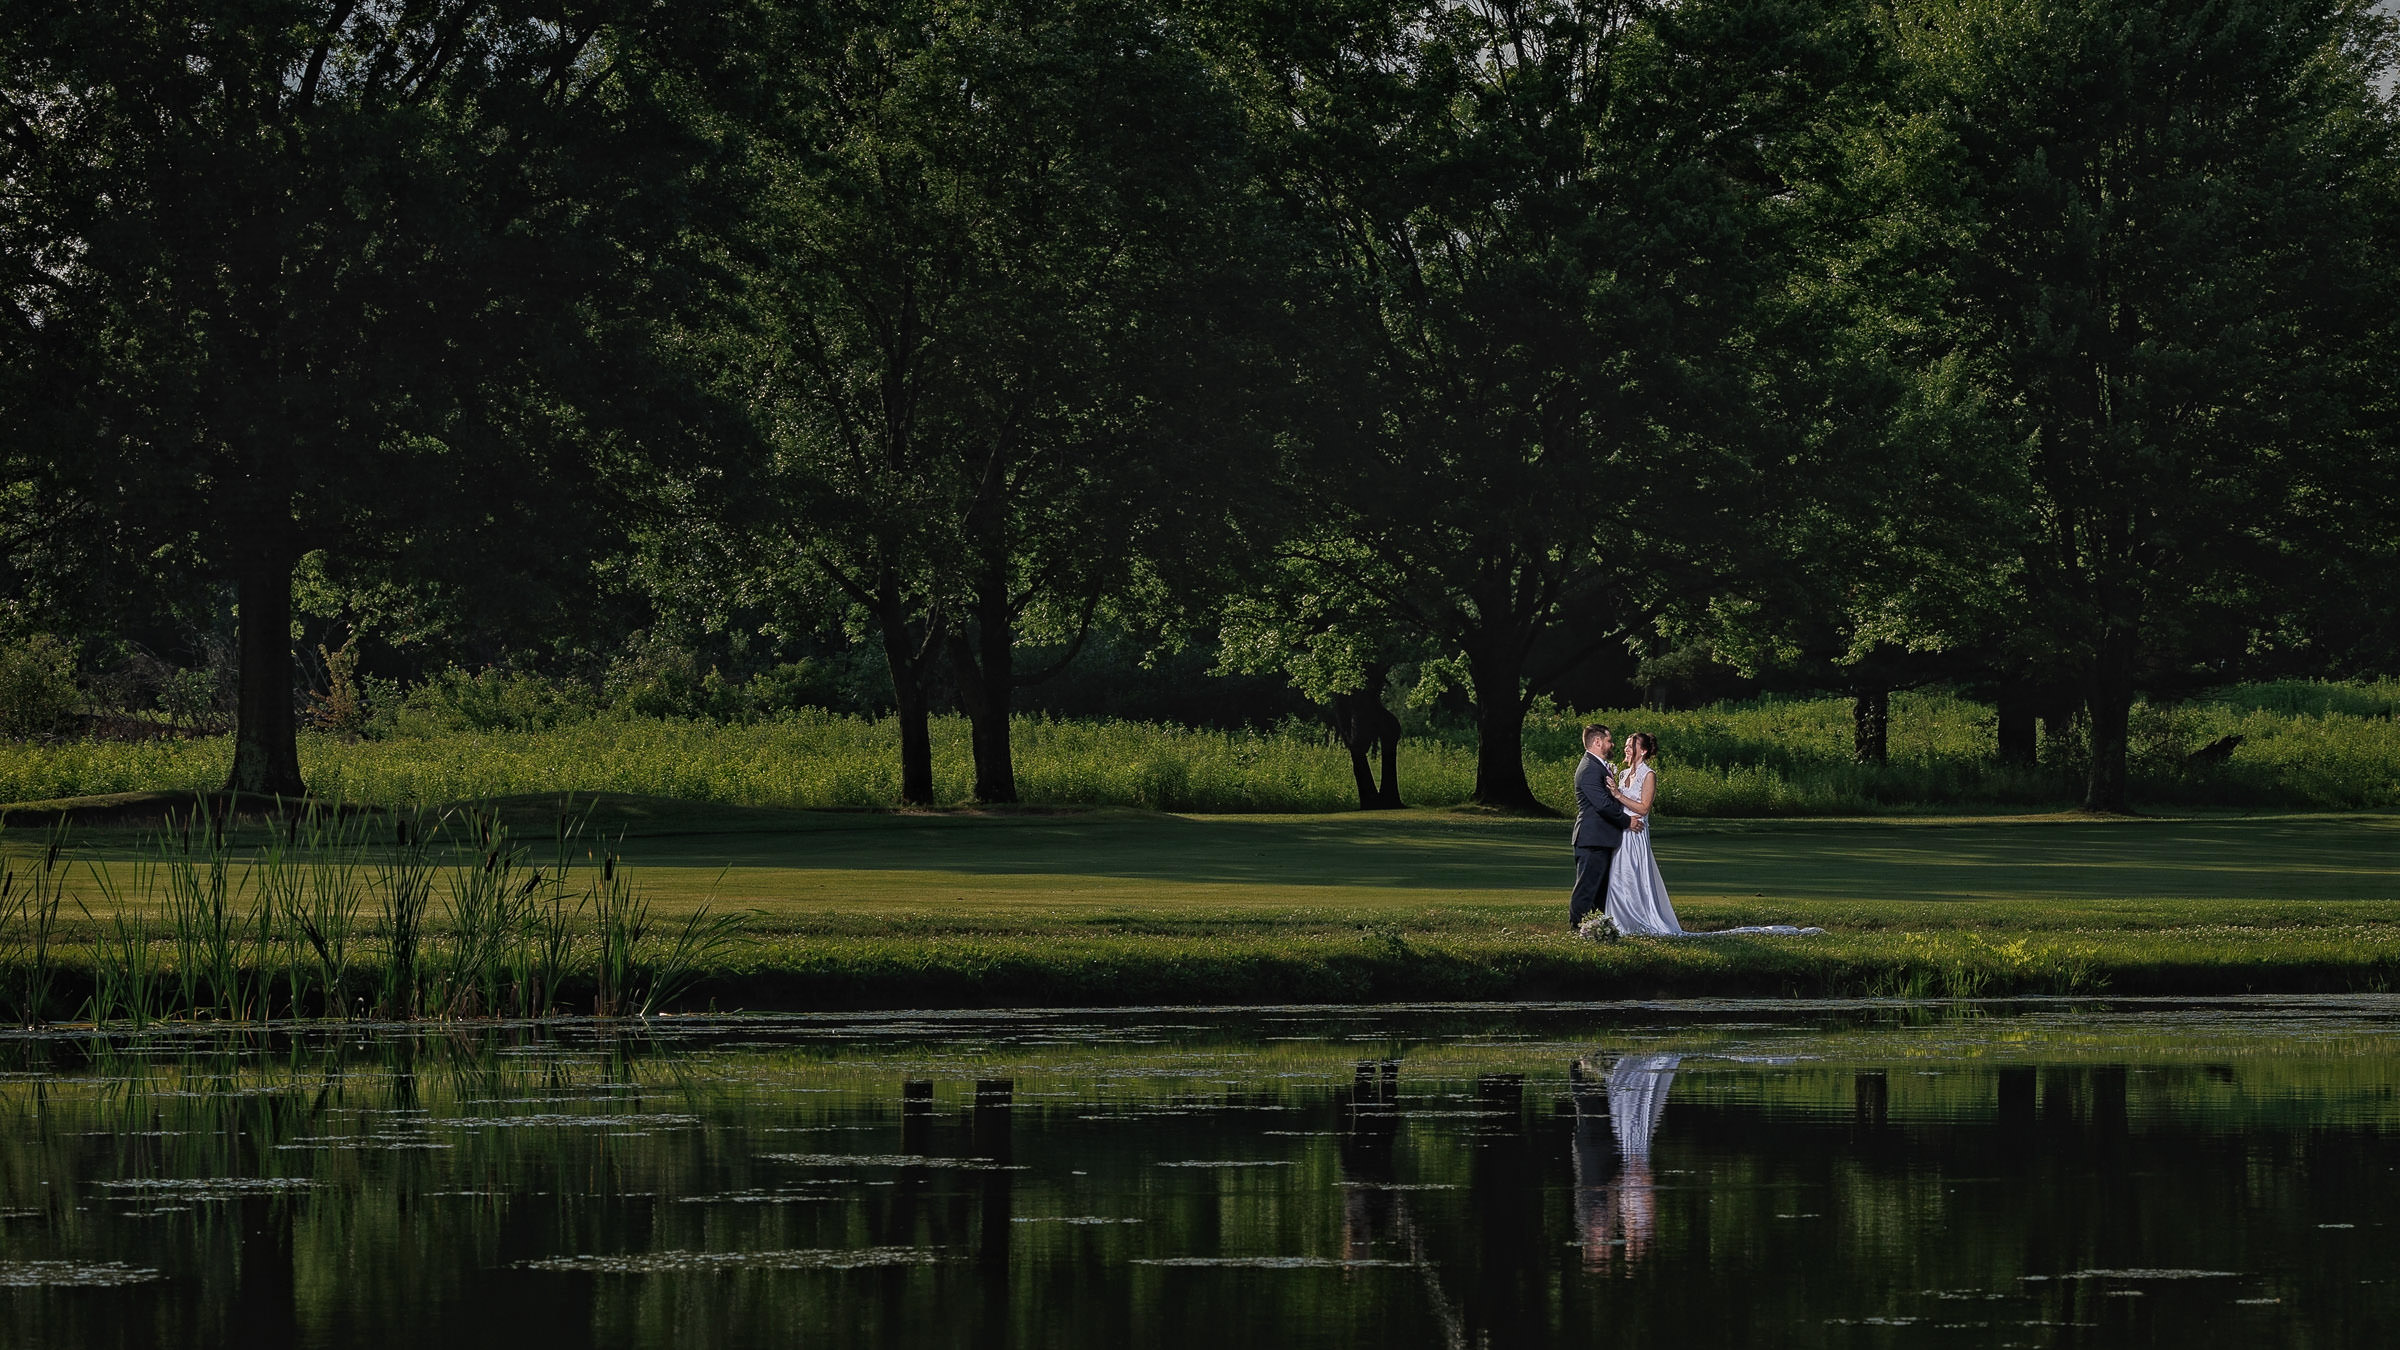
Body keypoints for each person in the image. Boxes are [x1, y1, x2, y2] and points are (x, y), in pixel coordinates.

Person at [1595, 730, 1826, 939]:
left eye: (1630, 745)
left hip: (1636, 836)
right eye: (1625, 744)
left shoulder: (1649, 775)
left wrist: (1617, 795)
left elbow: (1644, 808)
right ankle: (1619, 922)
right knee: (1618, 880)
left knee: (1635, 877)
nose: (1625, 748)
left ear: (1642, 751)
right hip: (1622, 833)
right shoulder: (1623, 773)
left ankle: (1641, 921)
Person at [1569, 724, 1642, 931]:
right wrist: (1627, 821)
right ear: (1597, 741)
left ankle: (1596, 929)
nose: (1612, 745)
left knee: (1599, 890)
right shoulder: (1589, 768)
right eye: (1609, 741)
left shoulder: (1598, 765)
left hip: (1601, 838)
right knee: (1586, 888)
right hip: (1592, 838)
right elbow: (1602, 804)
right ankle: (1577, 930)